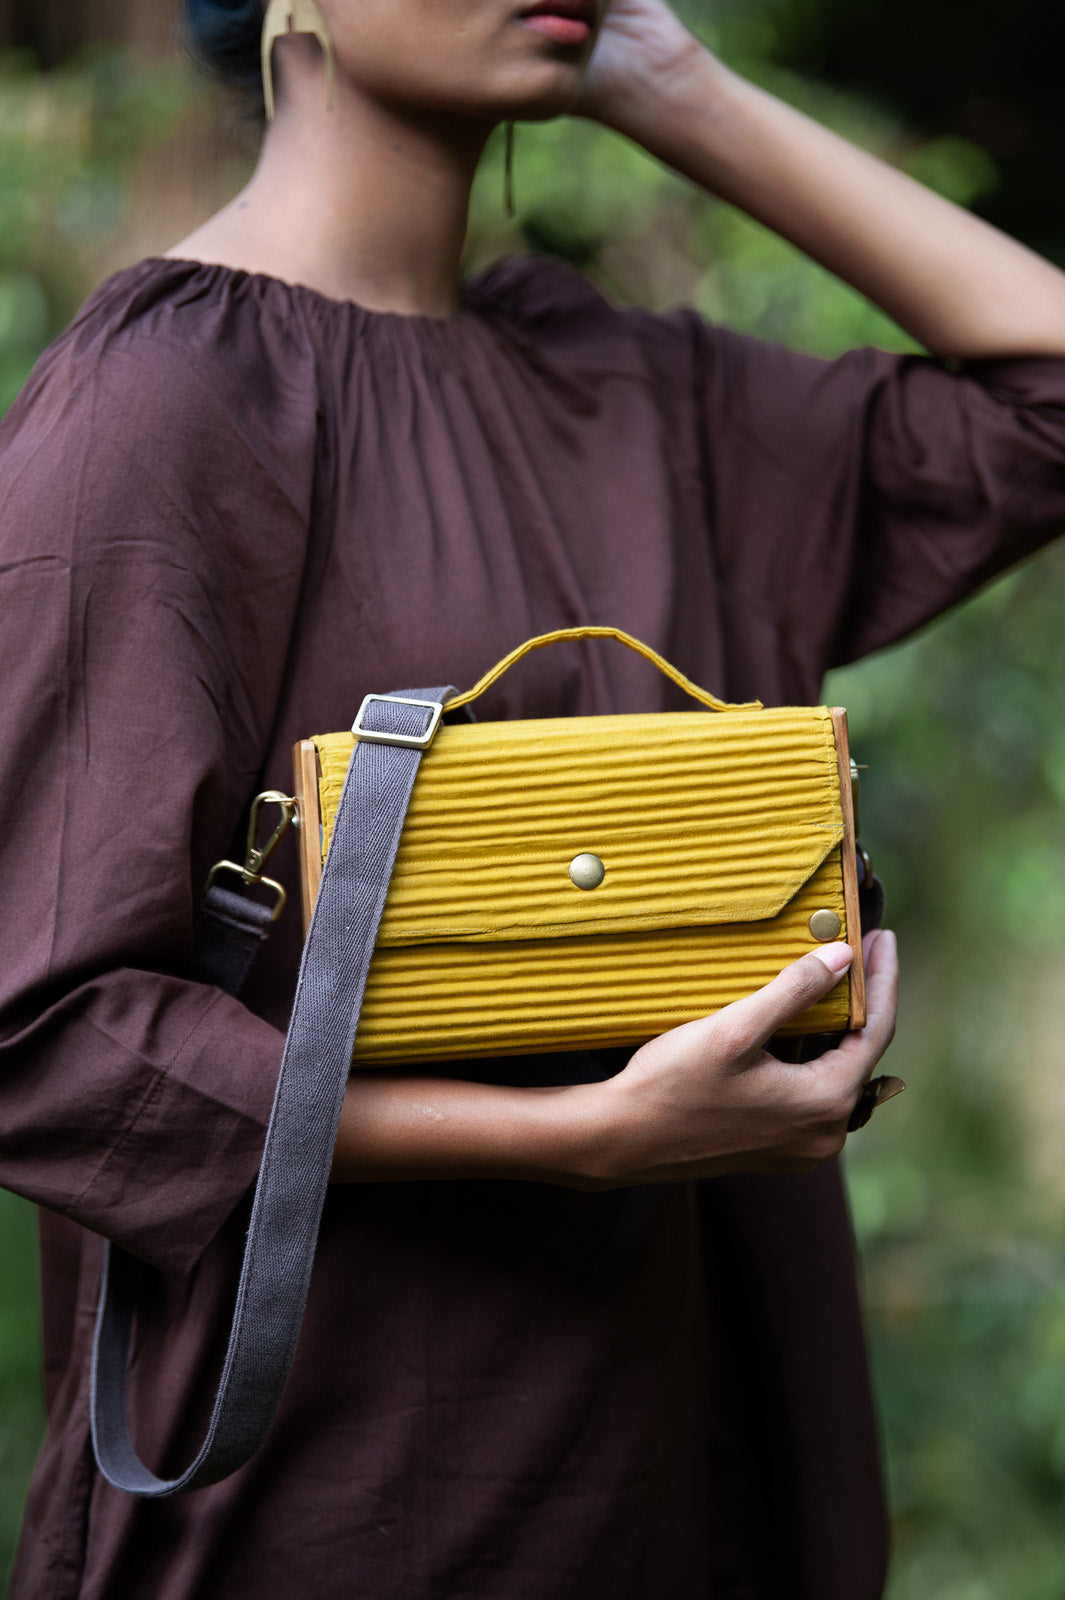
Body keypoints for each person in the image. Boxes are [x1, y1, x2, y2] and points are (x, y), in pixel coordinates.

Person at [2, 0, 1065, 1595]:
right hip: (329, 1502)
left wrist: (675, 87)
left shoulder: (627, 392)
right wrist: (569, 1137)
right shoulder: (162, 411)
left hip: (661, 1486)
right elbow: (41, 1039)